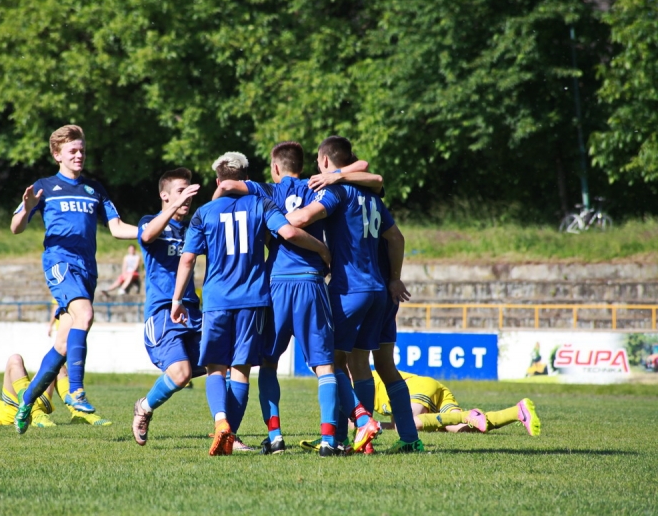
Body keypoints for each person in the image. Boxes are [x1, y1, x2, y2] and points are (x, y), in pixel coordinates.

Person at [213, 142, 384, 457]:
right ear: (304, 166)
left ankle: (275, 436)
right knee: (325, 366)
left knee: (268, 363)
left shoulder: (267, 190)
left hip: (276, 284)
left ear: (275, 168)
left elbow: (226, 185)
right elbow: (365, 169)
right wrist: (336, 176)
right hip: (312, 282)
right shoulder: (318, 186)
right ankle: (331, 438)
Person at [170, 152, 331, 456]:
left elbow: (188, 259)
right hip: (253, 299)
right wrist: (323, 250)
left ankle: (221, 422)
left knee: (215, 368)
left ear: (218, 181)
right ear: (246, 178)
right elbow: (288, 232)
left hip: (217, 299)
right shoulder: (261, 203)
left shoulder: (204, 212)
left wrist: (177, 299)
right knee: (241, 370)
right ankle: (231, 433)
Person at [287, 135, 422, 454]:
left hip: (350, 289)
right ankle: (407, 438)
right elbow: (397, 238)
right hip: (380, 290)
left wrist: (275, 222)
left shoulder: (337, 192)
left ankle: (340, 436)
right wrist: (394, 279)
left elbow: (302, 218)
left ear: (324, 161)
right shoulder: (373, 197)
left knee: (331, 362)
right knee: (370, 363)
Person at [10, 124, 137, 434]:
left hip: (87, 269)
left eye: (82, 150)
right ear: (57, 155)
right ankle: (76, 391)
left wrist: (151, 231)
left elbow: (117, 228)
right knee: (85, 314)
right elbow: (15, 227)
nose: (79, 155)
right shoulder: (44, 187)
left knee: (64, 343)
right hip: (60, 263)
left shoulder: (94, 189)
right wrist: (27, 209)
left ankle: (26, 400)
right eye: (72, 151)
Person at [131, 168, 205, 447]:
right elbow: (147, 236)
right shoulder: (150, 222)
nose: (187, 197)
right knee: (181, 374)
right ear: (164, 195)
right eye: (180, 191)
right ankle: (144, 408)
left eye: (189, 191)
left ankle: (226, 432)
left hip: (192, 311)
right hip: (163, 313)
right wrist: (175, 205)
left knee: (224, 364)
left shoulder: (192, 229)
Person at [300, 371, 540, 450]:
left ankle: (466, 414)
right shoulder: (359, 378)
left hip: (416, 388)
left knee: (408, 424)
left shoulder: (355, 383)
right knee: (461, 429)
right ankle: (517, 412)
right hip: (434, 388)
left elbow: (356, 421)